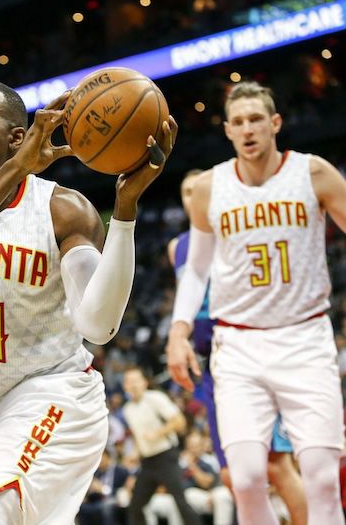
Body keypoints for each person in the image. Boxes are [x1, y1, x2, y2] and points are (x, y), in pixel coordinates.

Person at [0, 78, 177, 524]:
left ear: (17, 138)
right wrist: (16, 168)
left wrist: (125, 211)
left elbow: (99, 325)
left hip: (56, 393)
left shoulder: (62, 209)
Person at [166, 80, 346, 525]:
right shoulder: (210, 187)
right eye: (239, 122)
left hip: (305, 337)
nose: (248, 129)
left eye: (256, 120)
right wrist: (178, 332)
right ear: (228, 130)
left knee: (323, 477)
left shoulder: (313, 173)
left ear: (275, 123)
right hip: (239, 345)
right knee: (245, 479)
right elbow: (196, 271)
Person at [168, 170, 308, 524]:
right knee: (232, 474)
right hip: (211, 364)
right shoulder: (176, 247)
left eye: (199, 190)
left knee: (276, 466)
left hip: (249, 351)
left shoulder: (235, 230)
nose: (193, 197)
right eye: (187, 192)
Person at [121, 366, 201, 525]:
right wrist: (134, 454)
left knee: (180, 502)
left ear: (144, 382)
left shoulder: (155, 398)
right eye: (129, 381)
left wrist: (157, 433)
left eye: (136, 380)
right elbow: (138, 437)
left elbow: (179, 421)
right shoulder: (127, 410)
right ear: (125, 386)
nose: (134, 385)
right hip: (148, 462)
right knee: (135, 506)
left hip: (166, 457)